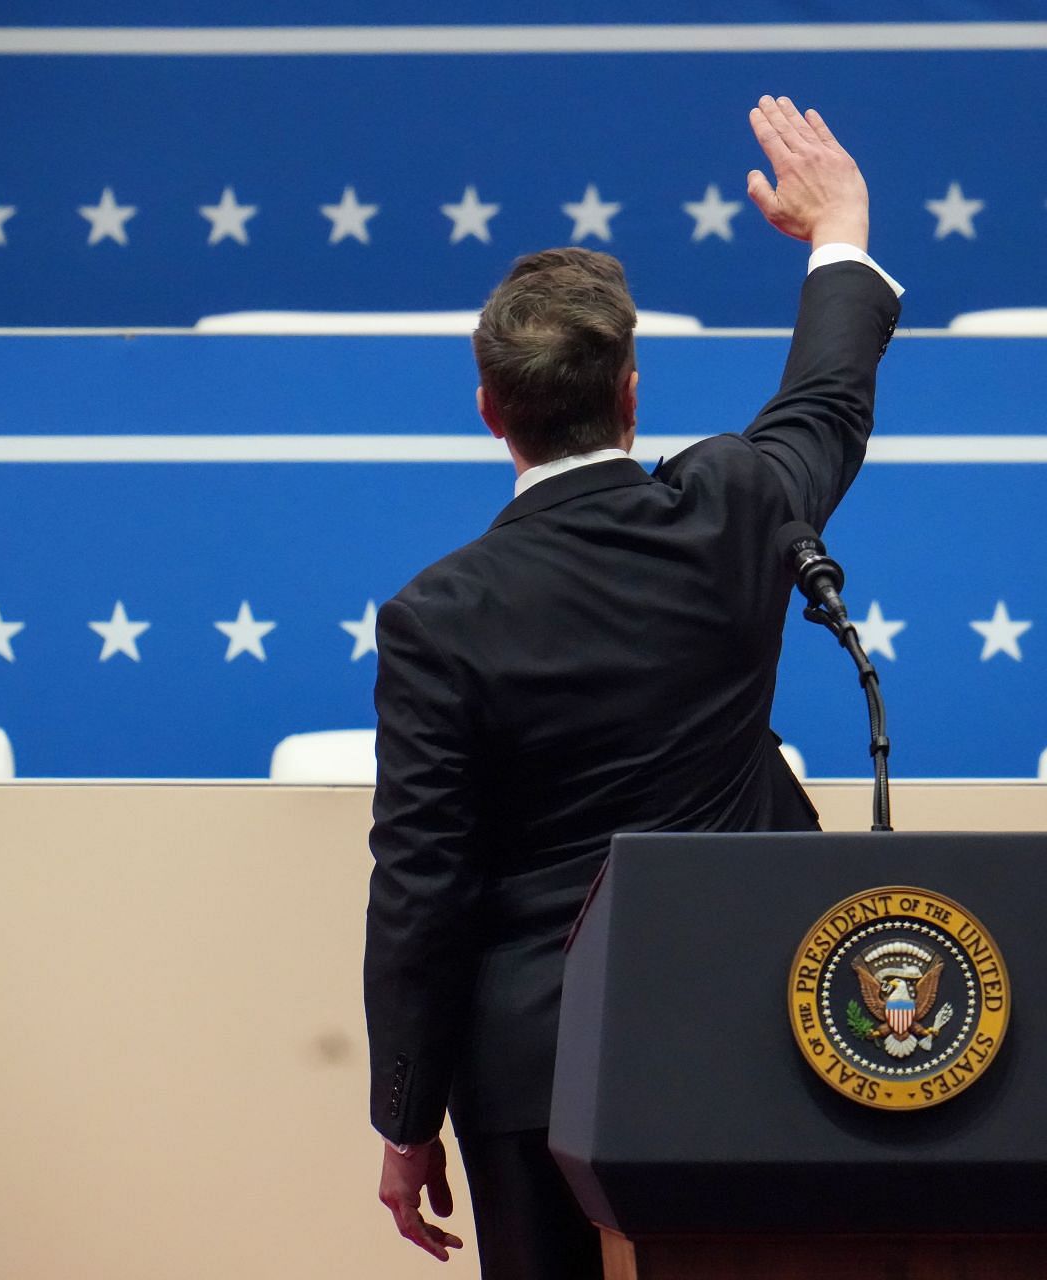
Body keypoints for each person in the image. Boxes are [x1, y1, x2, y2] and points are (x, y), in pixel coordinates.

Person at [364, 95, 902, 1279]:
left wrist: (404, 1118)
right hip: (758, 1036)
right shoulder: (729, 507)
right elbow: (826, 403)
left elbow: (422, 892)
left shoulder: (435, 617)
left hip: (536, 1077)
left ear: (490, 413)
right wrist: (840, 227)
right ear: (632, 394)